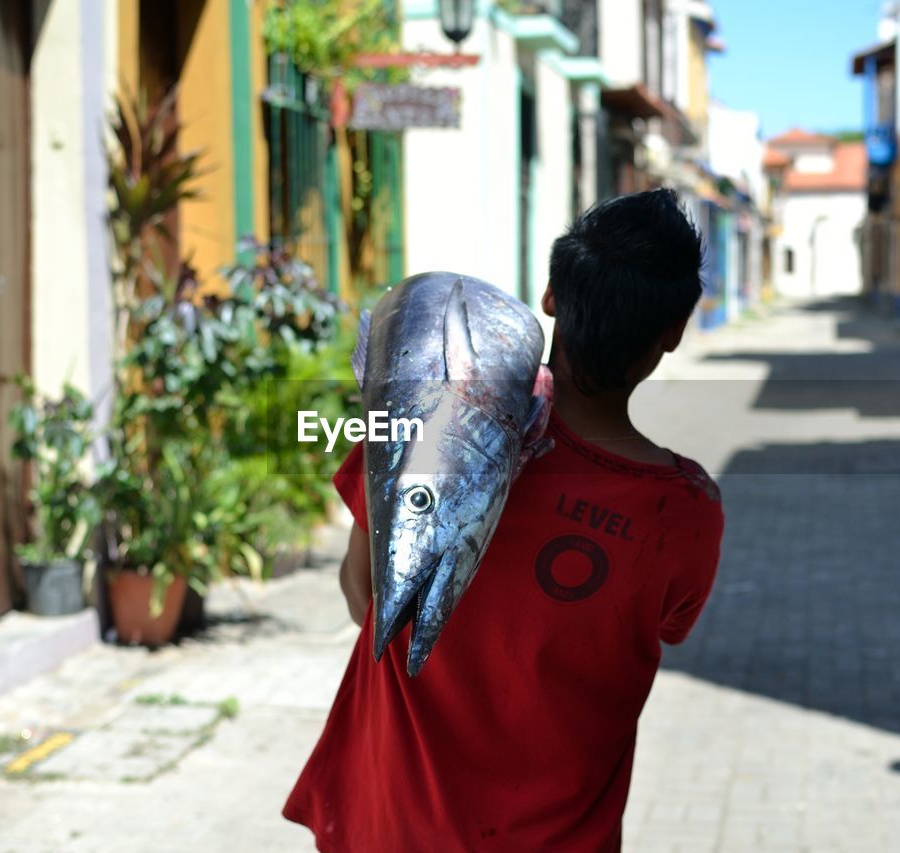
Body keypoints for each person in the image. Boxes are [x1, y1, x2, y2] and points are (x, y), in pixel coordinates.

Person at [283, 188, 725, 851]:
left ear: (550, 296)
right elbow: (667, 623)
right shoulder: (685, 510)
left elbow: (363, 594)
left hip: (385, 829)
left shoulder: (424, 417)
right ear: (673, 332)